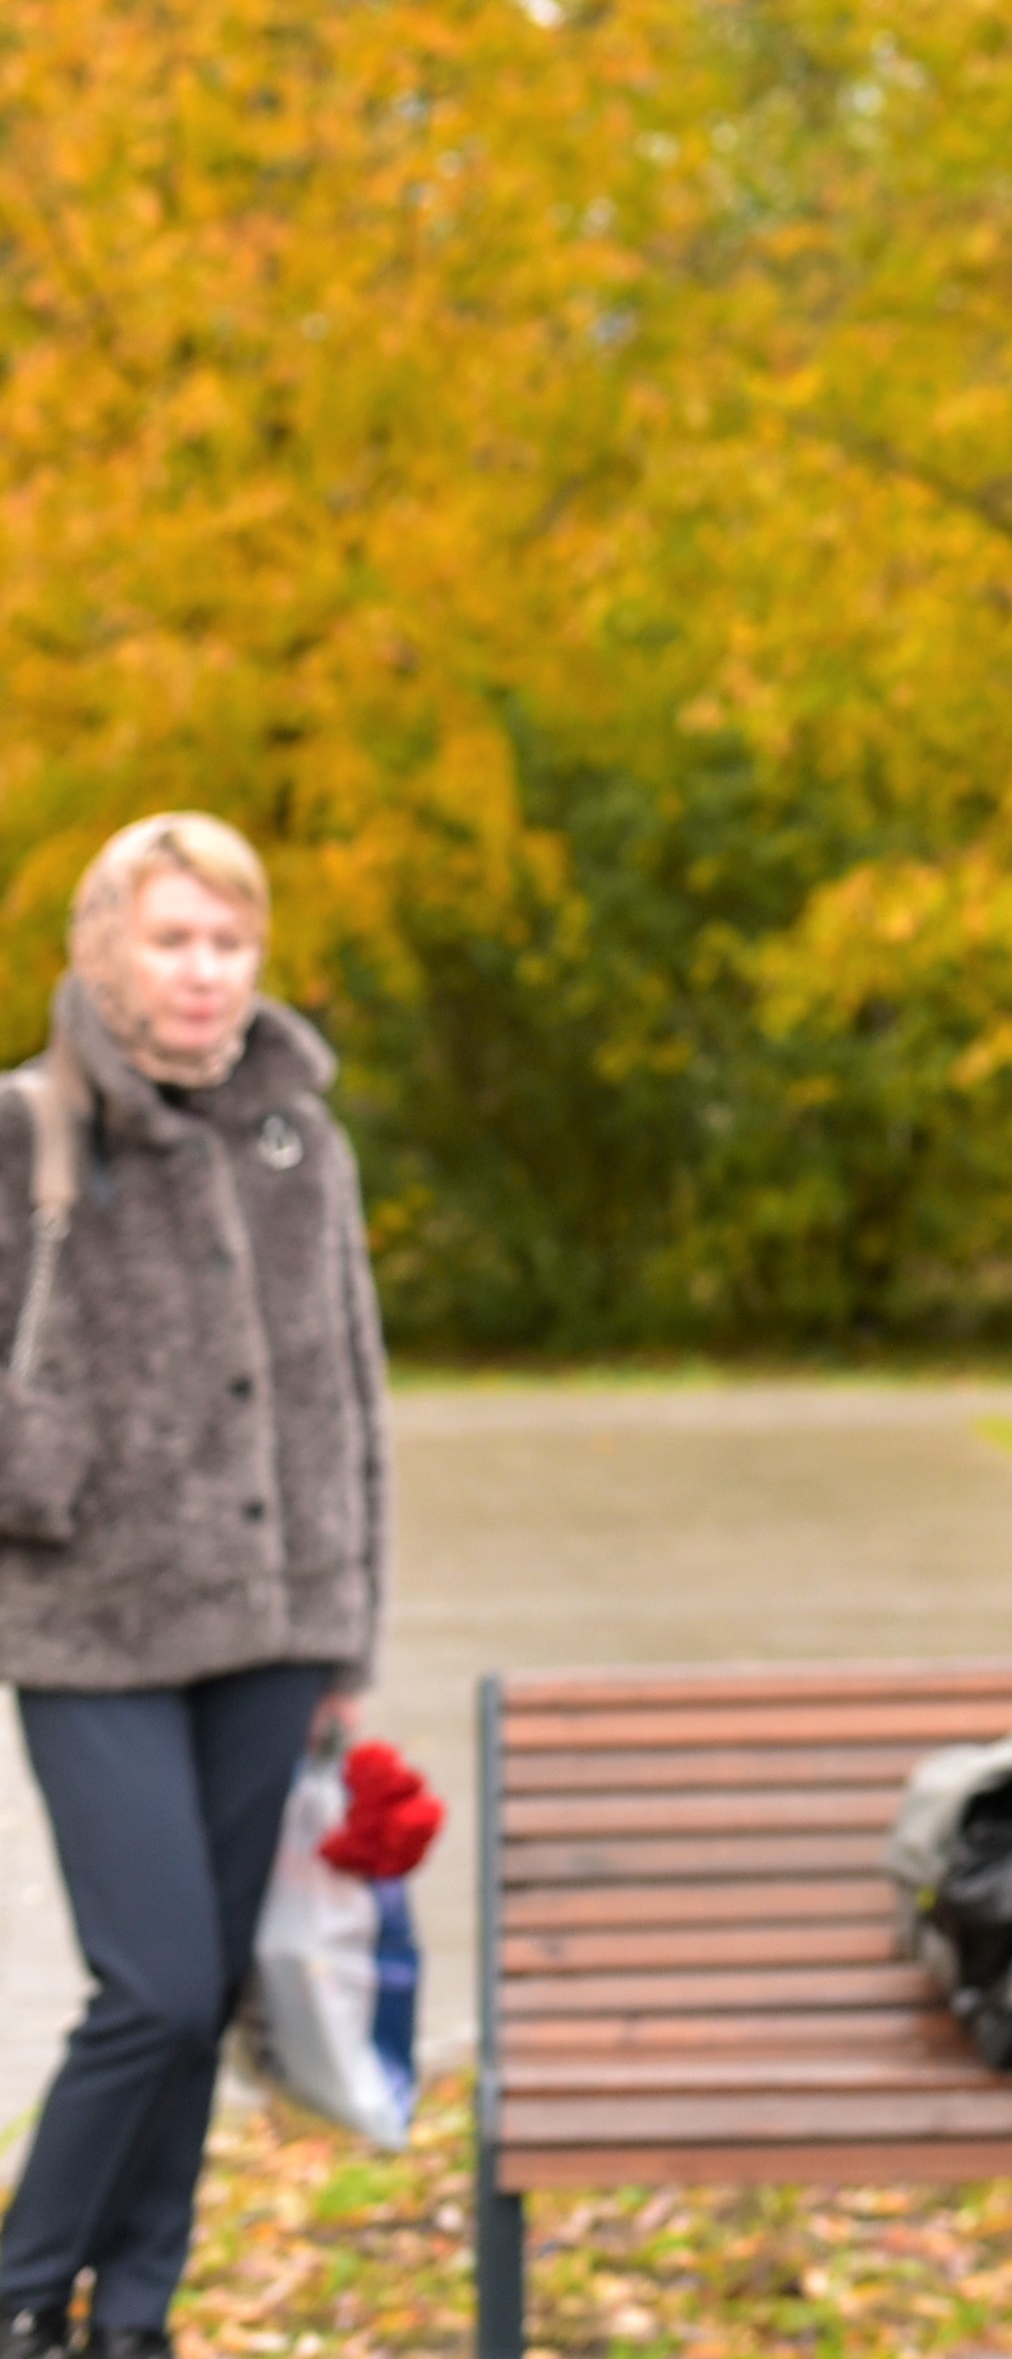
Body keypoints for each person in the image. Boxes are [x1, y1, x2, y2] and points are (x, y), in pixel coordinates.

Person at [0, 816, 390, 2359]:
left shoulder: (304, 1136)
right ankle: (26, 2286)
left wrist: (350, 1628)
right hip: (87, 1622)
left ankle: (137, 2312)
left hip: (276, 1624)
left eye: (229, 942)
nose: (203, 972)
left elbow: (352, 1393)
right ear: (109, 948)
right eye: (173, 940)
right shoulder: (30, 1125)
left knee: (210, 1979)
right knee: (153, 1983)